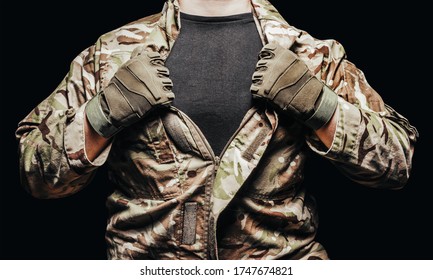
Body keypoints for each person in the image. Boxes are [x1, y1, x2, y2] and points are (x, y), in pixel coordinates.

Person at [15, 0, 418, 260]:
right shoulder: (112, 53)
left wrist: (321, 106)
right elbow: (37, 175)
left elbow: (396, 164)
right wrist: (100, 115)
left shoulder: (310, 54)